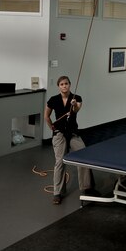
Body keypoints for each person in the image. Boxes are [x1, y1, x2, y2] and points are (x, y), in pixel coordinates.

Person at [44, 75, 93, 203]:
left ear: (70, 85)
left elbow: (76, 109)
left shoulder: (76, 98)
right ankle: (57, 192)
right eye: (62, 84)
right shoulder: (53, 100)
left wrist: (74, 104)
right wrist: (53, 129)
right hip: (59, 134)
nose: (64, 86)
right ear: (58, 86)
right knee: (60, 161)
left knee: (83, 155)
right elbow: (46, 116)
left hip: (72, 133)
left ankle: (87, 187)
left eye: (66, 83)